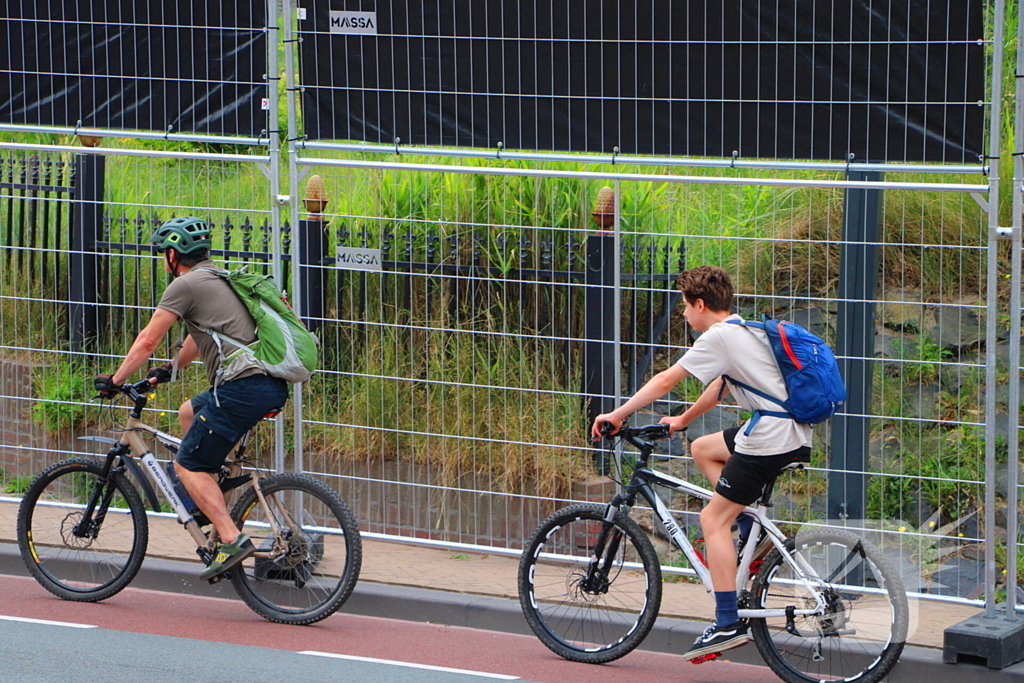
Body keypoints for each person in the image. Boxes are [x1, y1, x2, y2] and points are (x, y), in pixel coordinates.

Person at [591, 265, 811, 660]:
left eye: (684, 307)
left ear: (700, 303)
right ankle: (748, 526)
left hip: (769, 437)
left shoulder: (720, 336)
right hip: (787, 433)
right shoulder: (744, 330)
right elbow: (717, 388)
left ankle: (727, 622)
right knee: (703, 448)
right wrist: (683, 421)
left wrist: (617, 414)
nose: (684, 315)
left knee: (713, 520)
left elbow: (664, 381)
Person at [94, 216, 290, 580]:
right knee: (189, 412)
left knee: (188, 465)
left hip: (241, 389)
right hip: (267, 384)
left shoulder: (184, 285)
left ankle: (231, 539)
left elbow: (147, 340)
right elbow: (199, 339)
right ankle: (209, 503)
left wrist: (116, 379)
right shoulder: (219, 278)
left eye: (162, 253)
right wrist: (167, 369)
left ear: (173, 254)